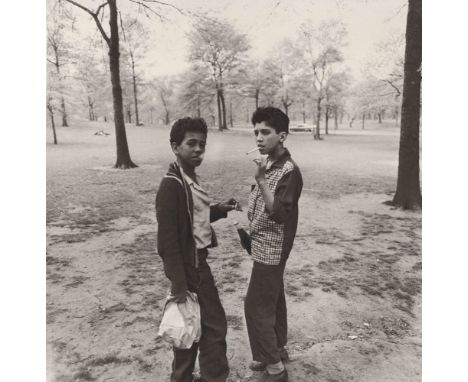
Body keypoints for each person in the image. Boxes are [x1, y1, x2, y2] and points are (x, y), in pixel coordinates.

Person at [156, 117, 237, 382]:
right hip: (191, 269)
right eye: (191, 143)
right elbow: (168, 242)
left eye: (202, 144)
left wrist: (218, 211)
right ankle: (212, 377)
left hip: (196, 264)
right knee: (213, 327)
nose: (198, 149)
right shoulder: (172, 185)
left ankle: (182, 378)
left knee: (189, 327)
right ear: (175, 146)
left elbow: (192, 220)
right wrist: (179, 283)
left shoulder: (188, 177)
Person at [244, 107, 303, 382]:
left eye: (265, 132)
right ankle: (276, 351)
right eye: (256, 131)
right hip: (262, 243)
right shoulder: (269, 163)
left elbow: (278, 213)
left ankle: (275, 368)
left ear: (282, 136)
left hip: (274, 247)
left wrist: (260, 180)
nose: (258, 137)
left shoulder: (290, 171)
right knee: (273, 300)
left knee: (256, 306)